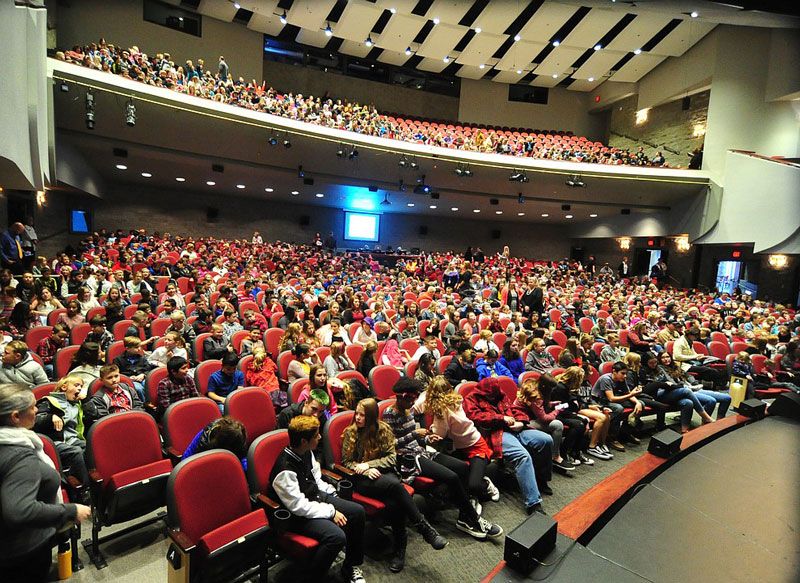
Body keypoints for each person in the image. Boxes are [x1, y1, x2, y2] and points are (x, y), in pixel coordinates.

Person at [386, 377, 502, 540]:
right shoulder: (390, 414)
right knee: (452, 477)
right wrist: (414, 434)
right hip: (408, 459)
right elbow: (390, 444)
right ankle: (474, 519)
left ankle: (464, 518)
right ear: (401, 397)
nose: (414, 403)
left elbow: (415, 439)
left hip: (421, 451)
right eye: (411, 399)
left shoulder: (408, 410)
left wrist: (426, 439)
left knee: (462, 468)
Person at [341, 398, 447, 573]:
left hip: (382, 474)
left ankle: (400, 551)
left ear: (372, 416)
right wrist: (365, 470)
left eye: (363, 415)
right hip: (361, 480)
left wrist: (370, 465)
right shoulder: (351, 433)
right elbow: (347, 462)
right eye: (357, 414)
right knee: (397, 487)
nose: (358, 418)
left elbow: (391, 458)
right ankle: (424, 528)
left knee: (395, 503)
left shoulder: (383, 430)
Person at [0, 384, 92, 582]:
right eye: (33, 407)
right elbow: (19, 510)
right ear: (16, 416)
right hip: (21, 552)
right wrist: (70, 511)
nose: (36, 411)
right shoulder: (20, 457)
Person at [270, 415, 366, 583]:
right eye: (316, 435)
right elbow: (298, 507)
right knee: (336, 537)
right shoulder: (285, 470)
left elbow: (316, 480)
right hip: (297, 516)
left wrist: (332, 495)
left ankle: (350, 565)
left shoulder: (307, 452)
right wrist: (331, 511)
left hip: (316, 499)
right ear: (303, 441)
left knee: (357, 512)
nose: (320, 437)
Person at [463, 377, 552, 515]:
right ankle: (533, 503)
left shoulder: (500, 394)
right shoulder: (471, 399)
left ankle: (540, 479)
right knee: (522, 456)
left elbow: (513, 409)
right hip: (496, 434)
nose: (494, 396)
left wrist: (521, 422)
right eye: (490, 395)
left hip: (515, 428)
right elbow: (476, 417)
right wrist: (501, 418)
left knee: (546, 440)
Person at [513, 375, 580, 473]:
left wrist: (552, 404)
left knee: (556, 423)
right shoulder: (536, 396)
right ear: (546, 387)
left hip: (528, 417)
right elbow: (544, 418)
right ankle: (555, 456)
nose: (553, 391)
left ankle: (554, 455)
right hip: (522, 421)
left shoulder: (533, 384)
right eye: (552, 388)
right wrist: (557, 410)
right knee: (557, 424)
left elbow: (537, 407)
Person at [33, 375, 89, 485]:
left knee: (91, 447)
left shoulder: (76, 404)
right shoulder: (49, 401)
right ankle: (85, 488)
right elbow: (35, 421)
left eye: (81, 387)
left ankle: (94, 479)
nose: (79, 389)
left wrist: (86, 401)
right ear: (64, 387)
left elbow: (92, 414)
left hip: (73, 439)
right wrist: (50, 417)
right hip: (55, 442)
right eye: (76, 385)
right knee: (76, 451)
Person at [553, 367, 611, 462]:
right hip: (557, 414)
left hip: (566, 413)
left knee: (584, 421)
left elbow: (576, 404)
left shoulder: (569, 387)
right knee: (579, 424)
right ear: (575, 378)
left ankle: (576, 452)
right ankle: (564, 451)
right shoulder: (560, 387)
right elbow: (559, 408)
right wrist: (576, 413)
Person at [590, 362, 642, 449]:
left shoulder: (621, 379)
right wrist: (631, 395)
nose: (625, 376)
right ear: (614, 371)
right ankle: (611, 437)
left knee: (641, 404)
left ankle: (625, 432)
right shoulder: (605, 379)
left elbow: (628, 393)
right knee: (618, 408)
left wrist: (638, 403)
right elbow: (611, 399)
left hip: (610, 399)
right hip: (598, 401)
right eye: (623, 373)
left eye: (625, 373)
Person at [182, 416, 248, 470]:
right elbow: (185, 460)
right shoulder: (204, 439)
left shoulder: (238, 438)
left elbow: (242, 456)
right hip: (199, 469)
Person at [112, 337, 152, 401]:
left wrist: (143, 375)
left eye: (139, 346)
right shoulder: (118, 360)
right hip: (128, 380)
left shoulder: (142, 358)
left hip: (142, 378)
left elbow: (148, 369)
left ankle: (152, 402)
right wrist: (129, 378)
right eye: (136, 347)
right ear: (128, 348)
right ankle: (144, 405)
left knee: (149, 385)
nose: (139, 349)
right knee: (139, 389)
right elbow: (116, 374)